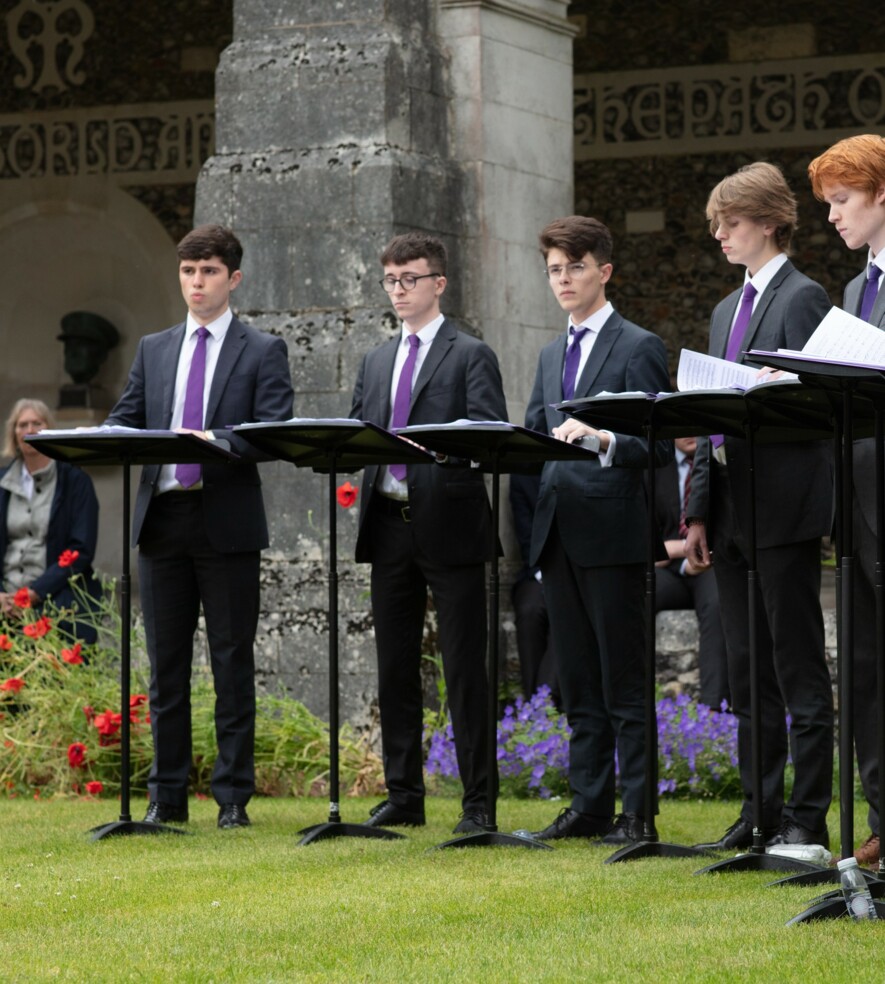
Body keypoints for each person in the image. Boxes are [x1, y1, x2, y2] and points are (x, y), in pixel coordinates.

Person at [105, 224, 294, 829]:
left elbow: (273, 433)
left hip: (226, 526)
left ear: (232, 279)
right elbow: (127, 418)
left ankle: (233, 799)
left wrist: (216, 442)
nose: (196, 282)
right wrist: (97, 438)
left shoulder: (263, 350)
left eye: (209, 272)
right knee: (165, 671)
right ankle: (167, 798)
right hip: (161, 523)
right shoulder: (154, 348)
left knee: (232, 664)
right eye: (188, 271)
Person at [685, 162, 835, 851]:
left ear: (770, 222)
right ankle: (757, 813)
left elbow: (822, 409)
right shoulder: (724, 310)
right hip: (730, 509)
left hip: (783, 505)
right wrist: (696, 513)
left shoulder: (805, 299)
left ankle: (806, 818)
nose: (720, 234)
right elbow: (712, 420)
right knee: (747, 674)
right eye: (717, 224)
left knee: (798, 669)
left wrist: (778, 389)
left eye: (733, 223)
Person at [350, 231, 507, 834]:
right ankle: (404, 795)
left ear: (437, 284)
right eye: (390, 280)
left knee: (465, 669)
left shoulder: (470, 354)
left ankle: (477, 805)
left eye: (409, 279)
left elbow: (490, 437)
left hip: (451, 528)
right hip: (388, 527)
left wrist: (446, 452)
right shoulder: (376, 359)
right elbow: (361, 431)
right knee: (394, 668)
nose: (398, 290)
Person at [525, 215, 672, 844]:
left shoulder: (639, 345)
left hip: (614, 535)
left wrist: (606, 437)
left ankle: (636, 814)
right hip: (557, 532)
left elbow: (658, 445)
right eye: (555, 269)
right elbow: (537, 435)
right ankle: (588, 806)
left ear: (604, 271)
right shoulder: (548, 351)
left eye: (575, 267)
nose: (563, 279)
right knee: (578, 682)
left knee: (624, 682)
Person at [808, 133, 885, 866]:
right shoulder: (857, 290)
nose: (832, 217)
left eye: (841, 201)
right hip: (856, 497)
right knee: (862, 672)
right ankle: (879, 822)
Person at [0, 398, 101, 643]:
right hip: (5, 594)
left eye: (37, 423)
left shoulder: (75, 481)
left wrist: (35, 593)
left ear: (49, 429)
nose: (30, 430)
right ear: (13, 433)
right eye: (22, 425)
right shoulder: (2, 482)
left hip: (55, 594)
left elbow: (81, 549)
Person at [653, 435, 729, 711]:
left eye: (695, 427)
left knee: (720, 603)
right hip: (666, 568)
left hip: (712, 564)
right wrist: (674, 549)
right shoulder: (653, 467)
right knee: (631, 593)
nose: (689, 433)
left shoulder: (719, 465)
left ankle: (714, 707)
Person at [509, 471, 558, 706]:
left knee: (569, 609)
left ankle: (543, 706)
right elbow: (527, 537)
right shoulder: (523, 474)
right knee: (530, 610)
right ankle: (534, 701)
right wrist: (545, 576)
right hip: (538, 570)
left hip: (581, 570)